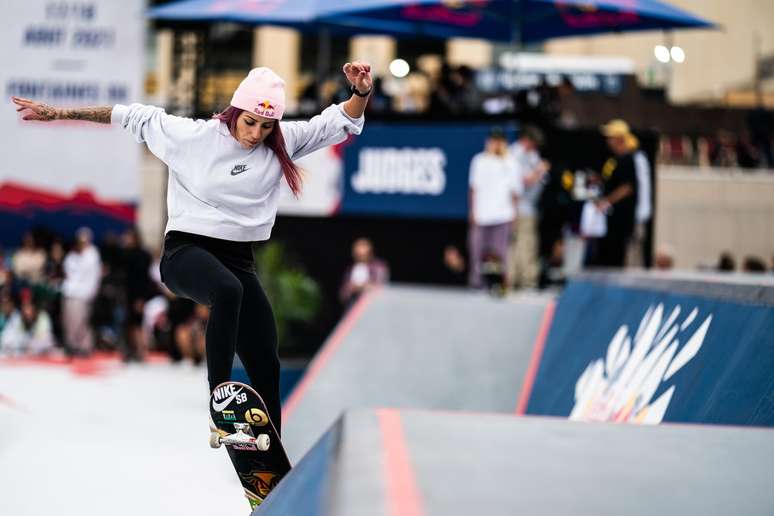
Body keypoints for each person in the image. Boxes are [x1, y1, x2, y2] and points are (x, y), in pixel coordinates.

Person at [12, 62, 372, 438]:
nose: (256, 134)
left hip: (238, 259)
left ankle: (270, 454)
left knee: (266, 358)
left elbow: (339, 121)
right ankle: (221, 408)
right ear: (236, 110)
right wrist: (60, 113)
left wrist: (361, 92)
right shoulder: (194, 135)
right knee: (227, 290)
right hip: (185, 253)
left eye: (266, 127)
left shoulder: (283, 140)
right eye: (250, 122)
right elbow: (126, 114)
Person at [468, 127, 523, 289]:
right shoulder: (479, 161)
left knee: (502, 252)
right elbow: (473, 189)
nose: (496, 144)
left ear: (504, 143)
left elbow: (515, 191)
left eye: (499, 141)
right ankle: (477, 283)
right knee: (477, 250)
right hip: (481, 214)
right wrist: (472, 211)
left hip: (503, 214)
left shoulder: (511, 163)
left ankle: (502, 284)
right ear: (488, 142)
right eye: (493, 141)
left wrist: (515, 214)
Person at [587, 120, 638, 268]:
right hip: (609, 218)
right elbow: (610, 180)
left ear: (619, 138)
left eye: (611, 137)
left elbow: (627, 187)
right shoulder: (613, 160)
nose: (608, 141)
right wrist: (598, 180)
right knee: (605, 252)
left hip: (620, 218)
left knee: (615, 255)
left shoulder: (628, 159)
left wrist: (607, 201)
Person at [508, 126, 548, 290]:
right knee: (524, 243)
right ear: (526, 140)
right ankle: (524, 281)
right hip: (519, 207)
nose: (535, 147)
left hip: (528, 206)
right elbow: (522, 181)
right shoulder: (514, 154)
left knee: (523, 244)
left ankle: (519, 280)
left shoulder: (531, 154)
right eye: (533, 143)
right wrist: (540, 170)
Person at [61, 227, 102, 355]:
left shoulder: (92, 254)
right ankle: (71, 345)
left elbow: (94, 276)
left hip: (84, 294)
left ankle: (84, 347)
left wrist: (92, 293)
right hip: (70, 292)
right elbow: (67, 273)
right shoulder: (72, 255)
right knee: (69, 320)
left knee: (82, 321)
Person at [339, 237, 389, 307]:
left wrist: (365, 287)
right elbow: (343, 294)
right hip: (354, 307)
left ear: (370, 252)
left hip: (373, 306)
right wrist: (351, 289)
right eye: (357, 254)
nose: (360, 255)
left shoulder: (378, 267)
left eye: (363, 254)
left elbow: (382, 286)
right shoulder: (350, 269)